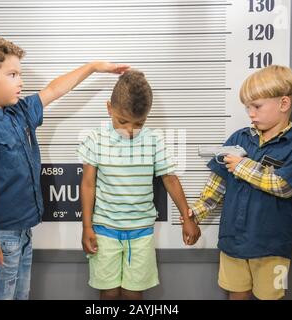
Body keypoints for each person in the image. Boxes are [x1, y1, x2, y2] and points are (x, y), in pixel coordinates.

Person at [0, 36, 129, 299]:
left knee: (20, 295)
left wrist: (92, 67)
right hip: (1, 238)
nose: (21, 82)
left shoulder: (20, 112)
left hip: (23, 232)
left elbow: (55, 89)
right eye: (13, 74)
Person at [184, 65, 292, 300]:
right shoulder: (238, 138)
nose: (250, 113)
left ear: (283, 104)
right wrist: (195, 213)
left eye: (257, 106)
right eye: (247, 107)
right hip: (234, 241)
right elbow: (217, 184)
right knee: (236, 295)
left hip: (273, 247)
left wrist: (243, 166)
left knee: (271, 296)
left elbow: (285, 186)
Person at [77, 69, 201, 300]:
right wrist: (86, 227)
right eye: (122, 121)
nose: (129, 130)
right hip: (105, 228)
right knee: (110, 292)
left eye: (139, 123)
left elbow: (170, 179)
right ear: (109, 108)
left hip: (141, 231)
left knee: (133, 293)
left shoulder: (154, 140)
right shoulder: (95, 139)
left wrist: (187, 217)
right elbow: (87, 184)